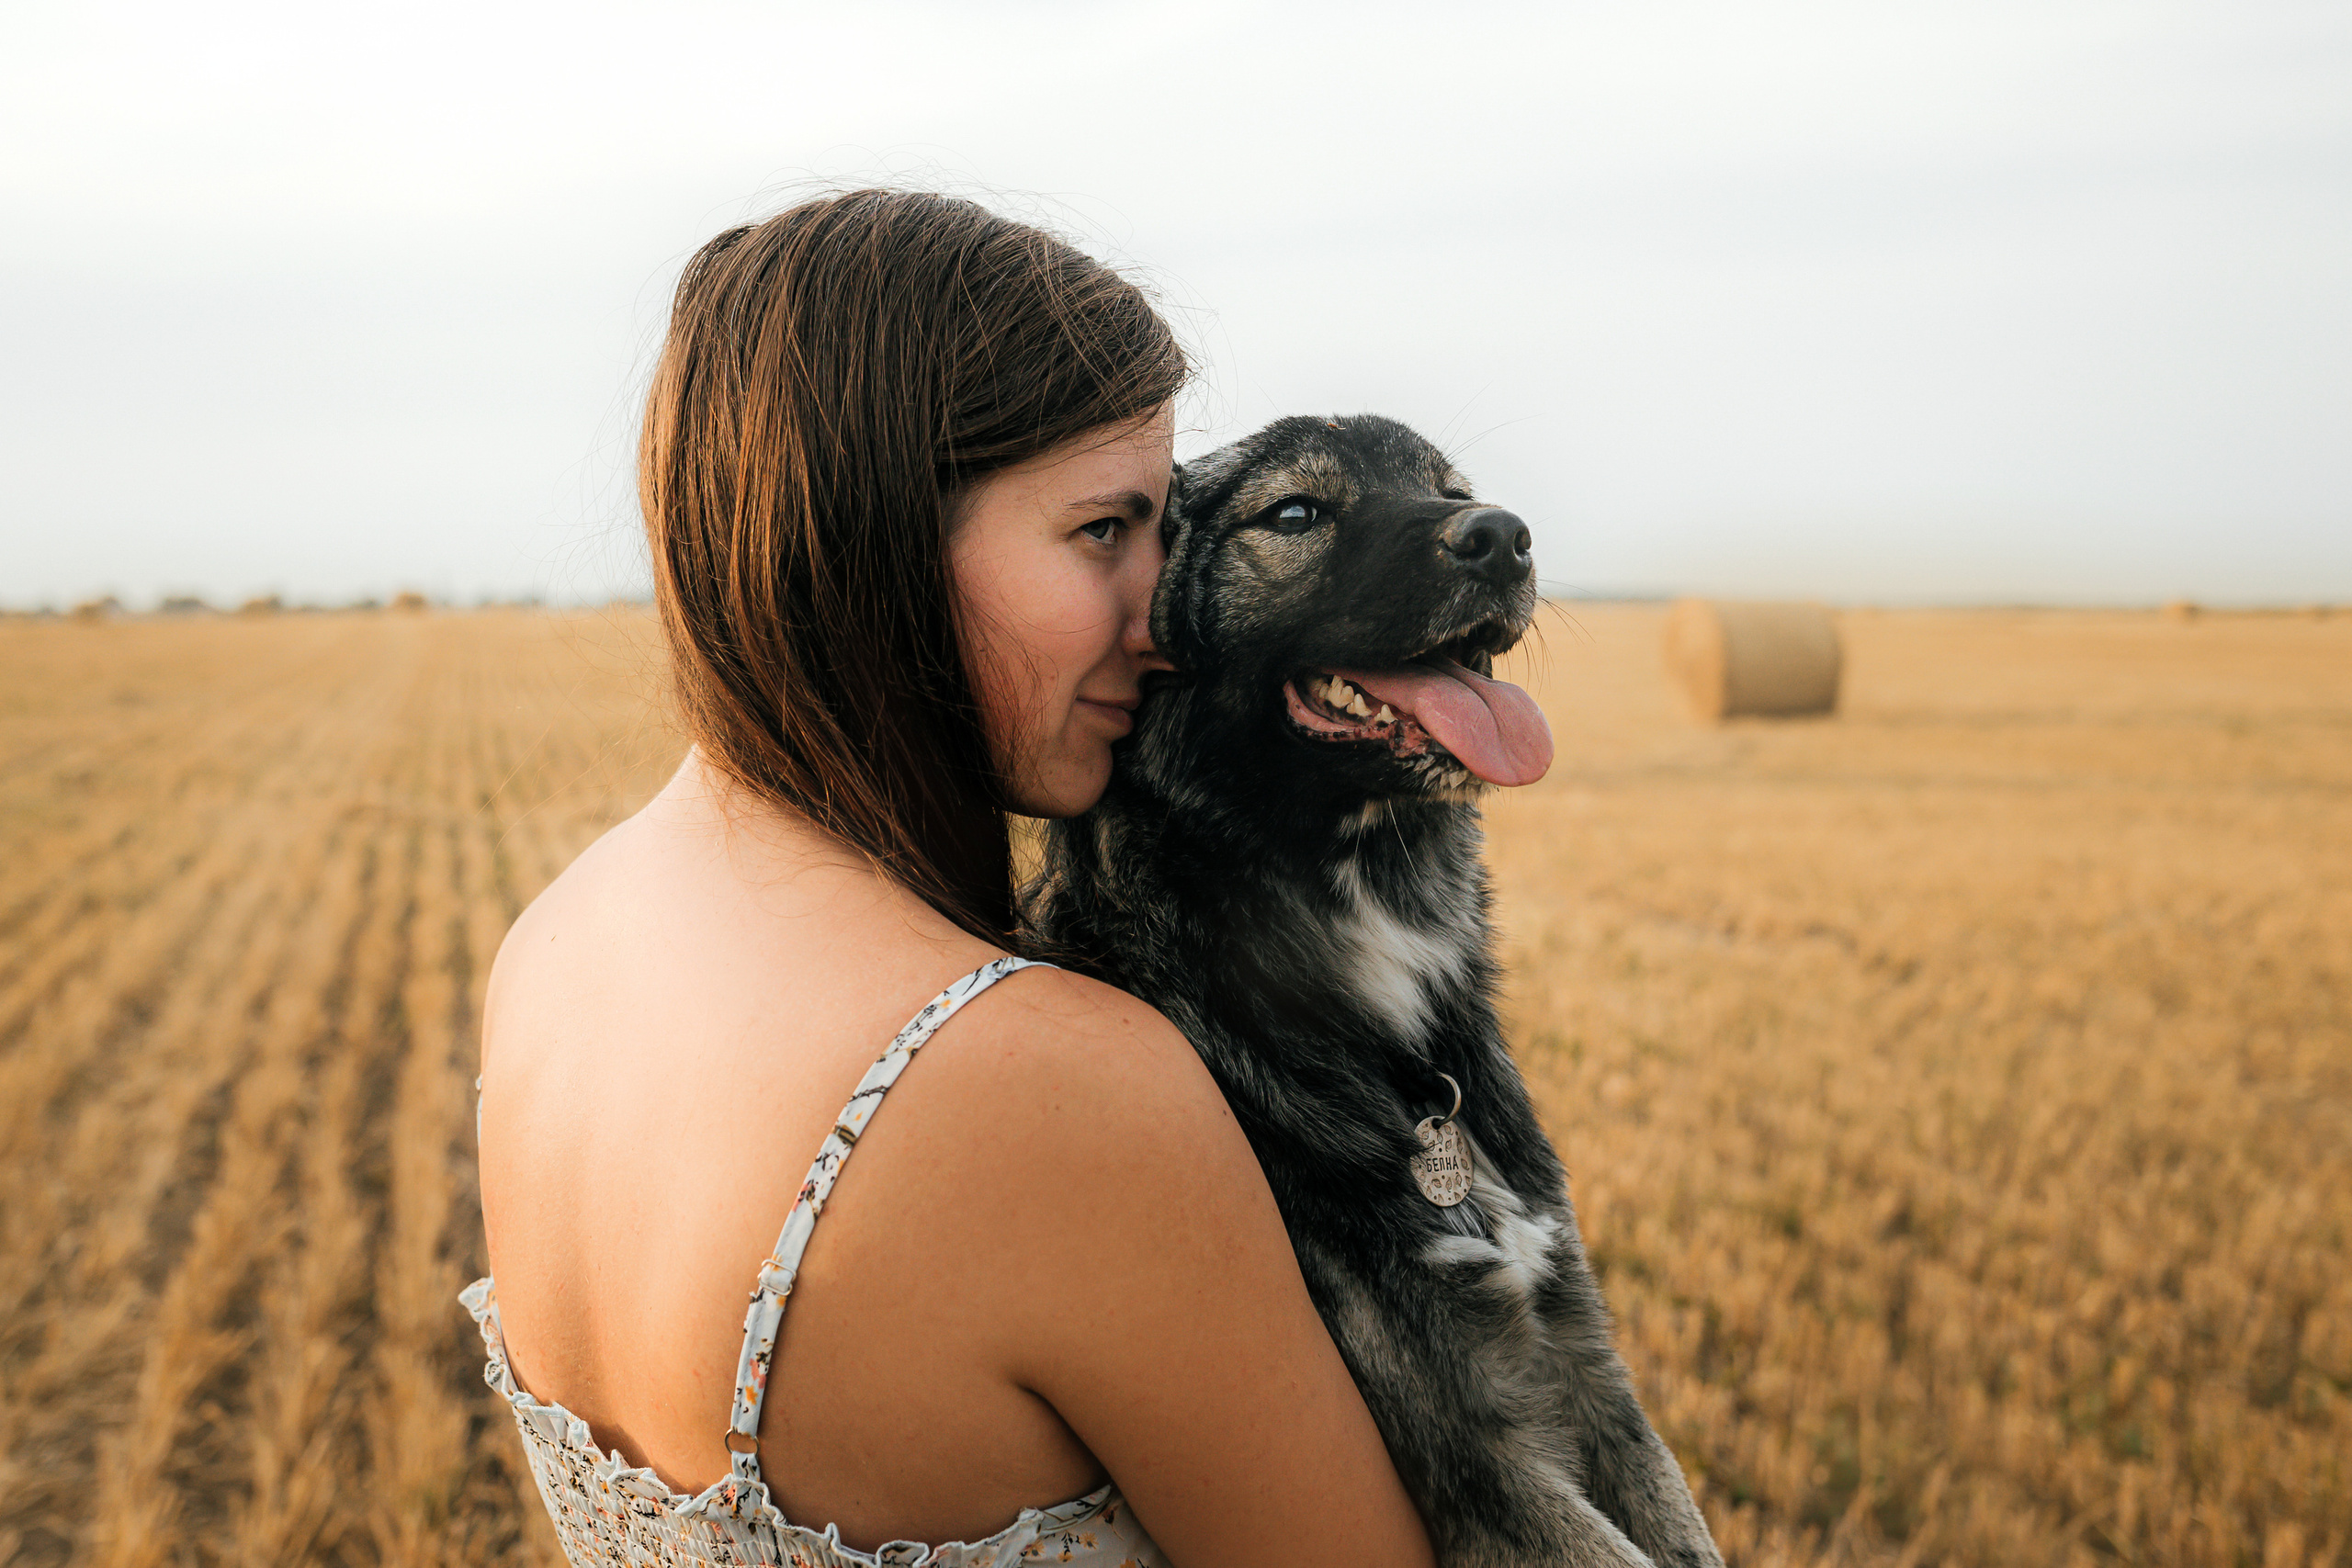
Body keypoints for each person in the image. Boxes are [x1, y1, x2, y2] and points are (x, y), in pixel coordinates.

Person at [468, 190, 1437, 1568]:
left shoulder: (554, 946)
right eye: (1104, 530)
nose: (1164, 621)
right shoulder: (1042, 1086)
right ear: (869, 542)